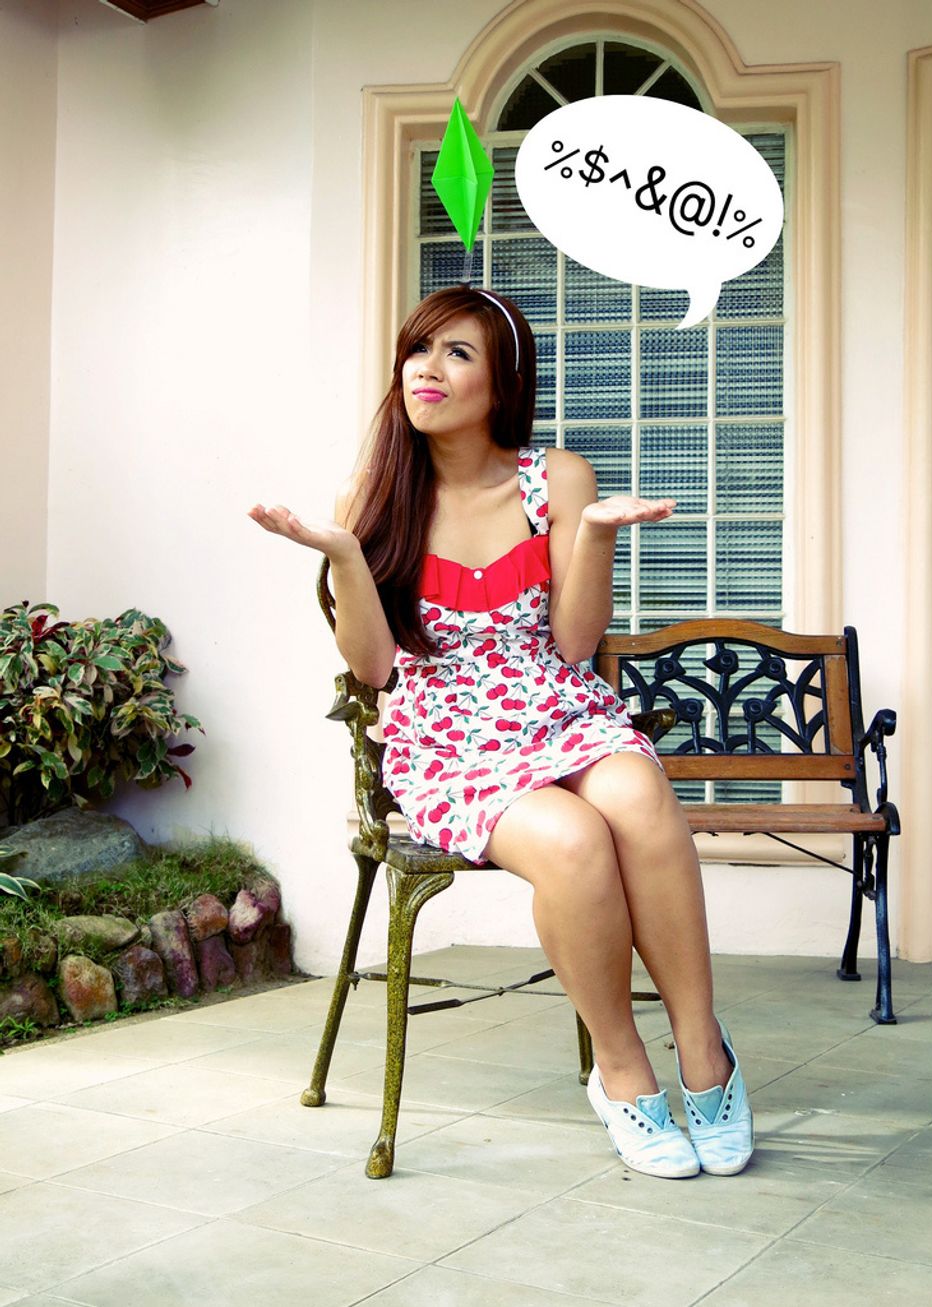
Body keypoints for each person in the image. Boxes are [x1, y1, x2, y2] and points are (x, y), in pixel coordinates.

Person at [248, 285, 753, 1178]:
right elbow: (373, 666)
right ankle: (621, 1069)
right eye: (419, 349)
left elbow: (574, 643)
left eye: (458, 353)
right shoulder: (373, 492)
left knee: (639, 795)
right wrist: (345, 555)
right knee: (573, 840)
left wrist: (594, 537)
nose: (428, 370)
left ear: (503, 381)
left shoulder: (555, 479)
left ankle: (704, 1049)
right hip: (450, 739)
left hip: (558, 708)